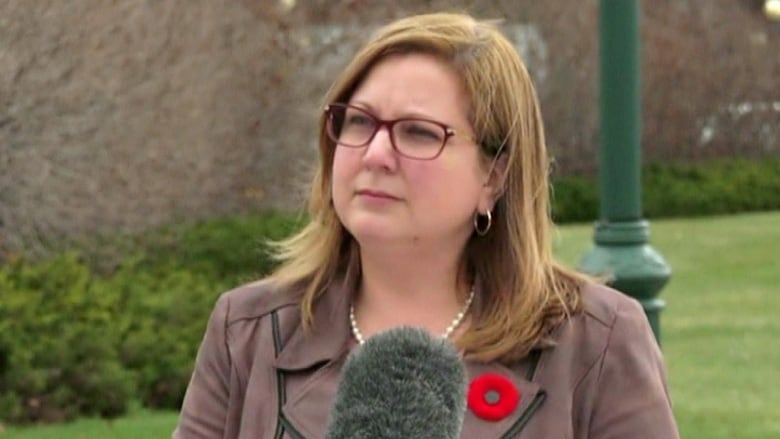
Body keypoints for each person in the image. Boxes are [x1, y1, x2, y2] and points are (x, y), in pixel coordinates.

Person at [173, 12, 680, 439]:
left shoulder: (596, 342)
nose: (375, 154)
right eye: (359, 121)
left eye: (418, 133)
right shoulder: (247, 331)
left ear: (494, 176)